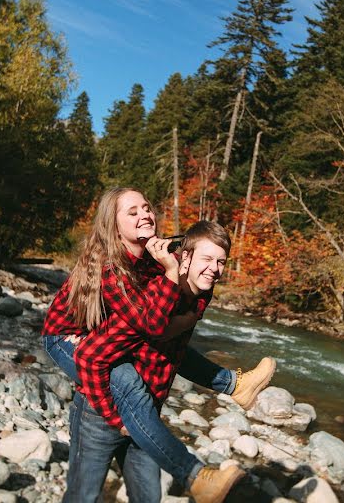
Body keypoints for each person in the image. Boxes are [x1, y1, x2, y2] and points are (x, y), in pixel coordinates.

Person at [42, 187, 275, 503]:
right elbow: (149, 326)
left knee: (148, 493)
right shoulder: (111, 268)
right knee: (126, 380)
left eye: (147, 208)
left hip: (124, 367)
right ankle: (194, 474)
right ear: (114, 225)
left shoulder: (154, 258)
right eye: (133, 212)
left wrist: (183, 292)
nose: (145, 215)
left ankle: (233, 385)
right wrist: (170, 278)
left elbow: (192, 286)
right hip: (66, 339)